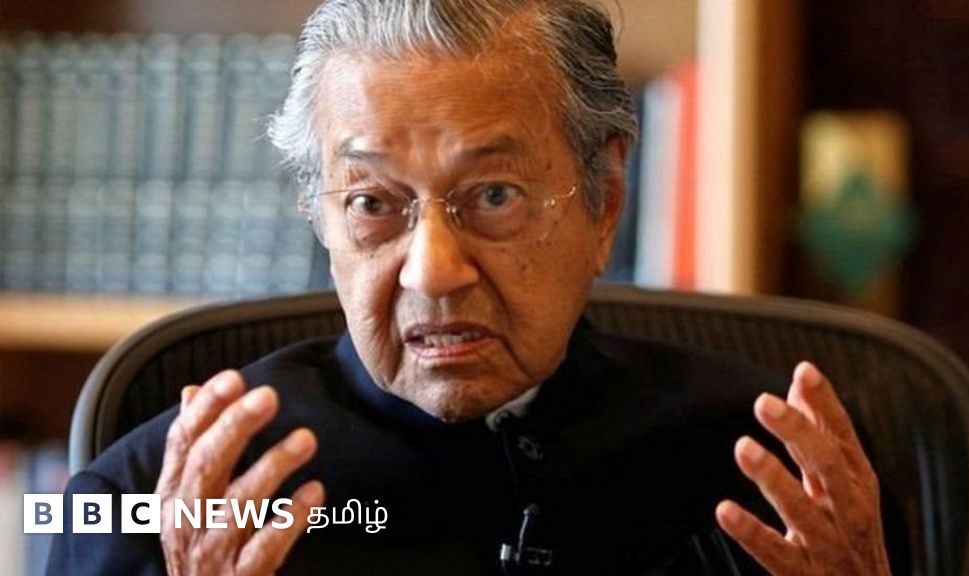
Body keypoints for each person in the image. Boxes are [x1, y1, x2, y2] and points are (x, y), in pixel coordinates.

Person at [48, 1, 903, 574]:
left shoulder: (781, 478)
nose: (433, 271)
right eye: (373, 204)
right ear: (321, 217)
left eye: (494, 196)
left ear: (605, 200)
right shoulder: (144, 500)